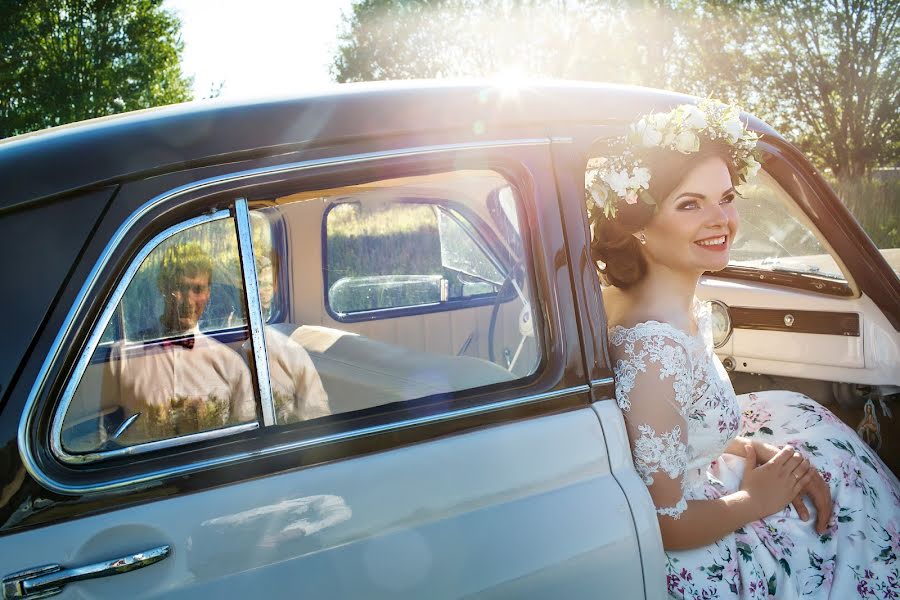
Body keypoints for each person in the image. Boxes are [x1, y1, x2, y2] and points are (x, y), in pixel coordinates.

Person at [587, 100, 900, 598]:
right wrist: (756, 499)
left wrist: (747, 447)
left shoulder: (666, 309)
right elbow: (667, 523)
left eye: (726, 197)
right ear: (639, 224)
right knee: (852, 509)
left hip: (708, 483)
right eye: (690, 204)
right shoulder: (654, 350)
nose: (721, 220)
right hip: (698, 548)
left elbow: (663, 441)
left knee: (824, 453)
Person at [99, 241, 256, 446]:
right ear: (163, 287)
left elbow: (245, 440)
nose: (188, 301)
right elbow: (104, 436)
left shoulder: (231, 365)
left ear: (208, 292)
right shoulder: (123, 356)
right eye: (179, 288)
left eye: (197, 289)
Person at [251, 254, 330, 423]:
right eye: (253, 285)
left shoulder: (291, 353)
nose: (260, 291)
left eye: (265, 285)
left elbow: (317, 416)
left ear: (274, 288)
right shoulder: (224, 348)